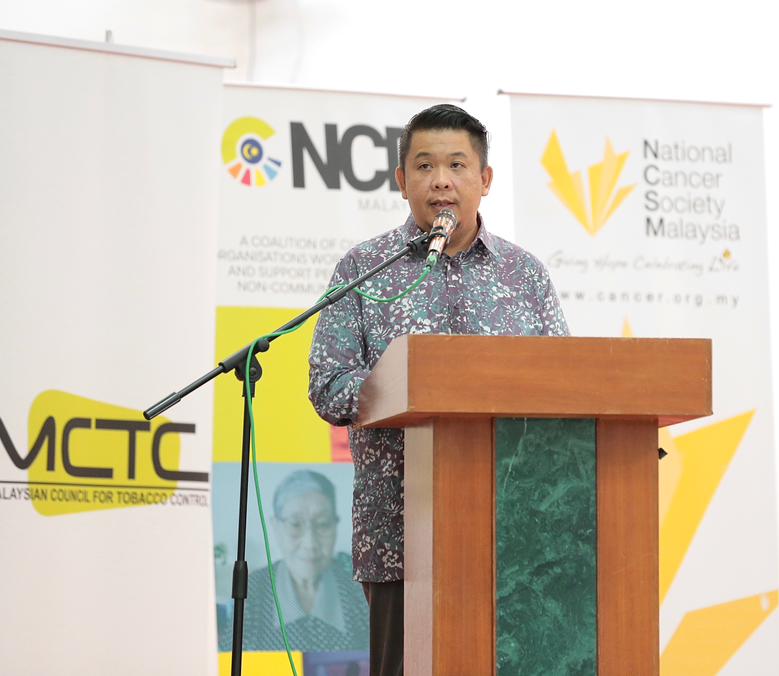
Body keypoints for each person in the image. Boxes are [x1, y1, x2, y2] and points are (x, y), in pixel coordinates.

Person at [308, 104, 569, 676]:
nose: (441, 181)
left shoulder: (524, 275)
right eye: (425, 166)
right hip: (400, 535)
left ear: (485, 179)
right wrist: (409, 386)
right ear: (402, 181)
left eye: (457, 165)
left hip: (516, 538)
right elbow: (328, 385)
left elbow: (565, 385)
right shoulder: (363, 269)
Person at [219, 469, 368, 652]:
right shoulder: (255, 589)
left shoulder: (358, 587)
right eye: (295, 524)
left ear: (335, 526)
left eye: (323, 524)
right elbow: (227, 658)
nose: (310, 543)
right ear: (276, 527)